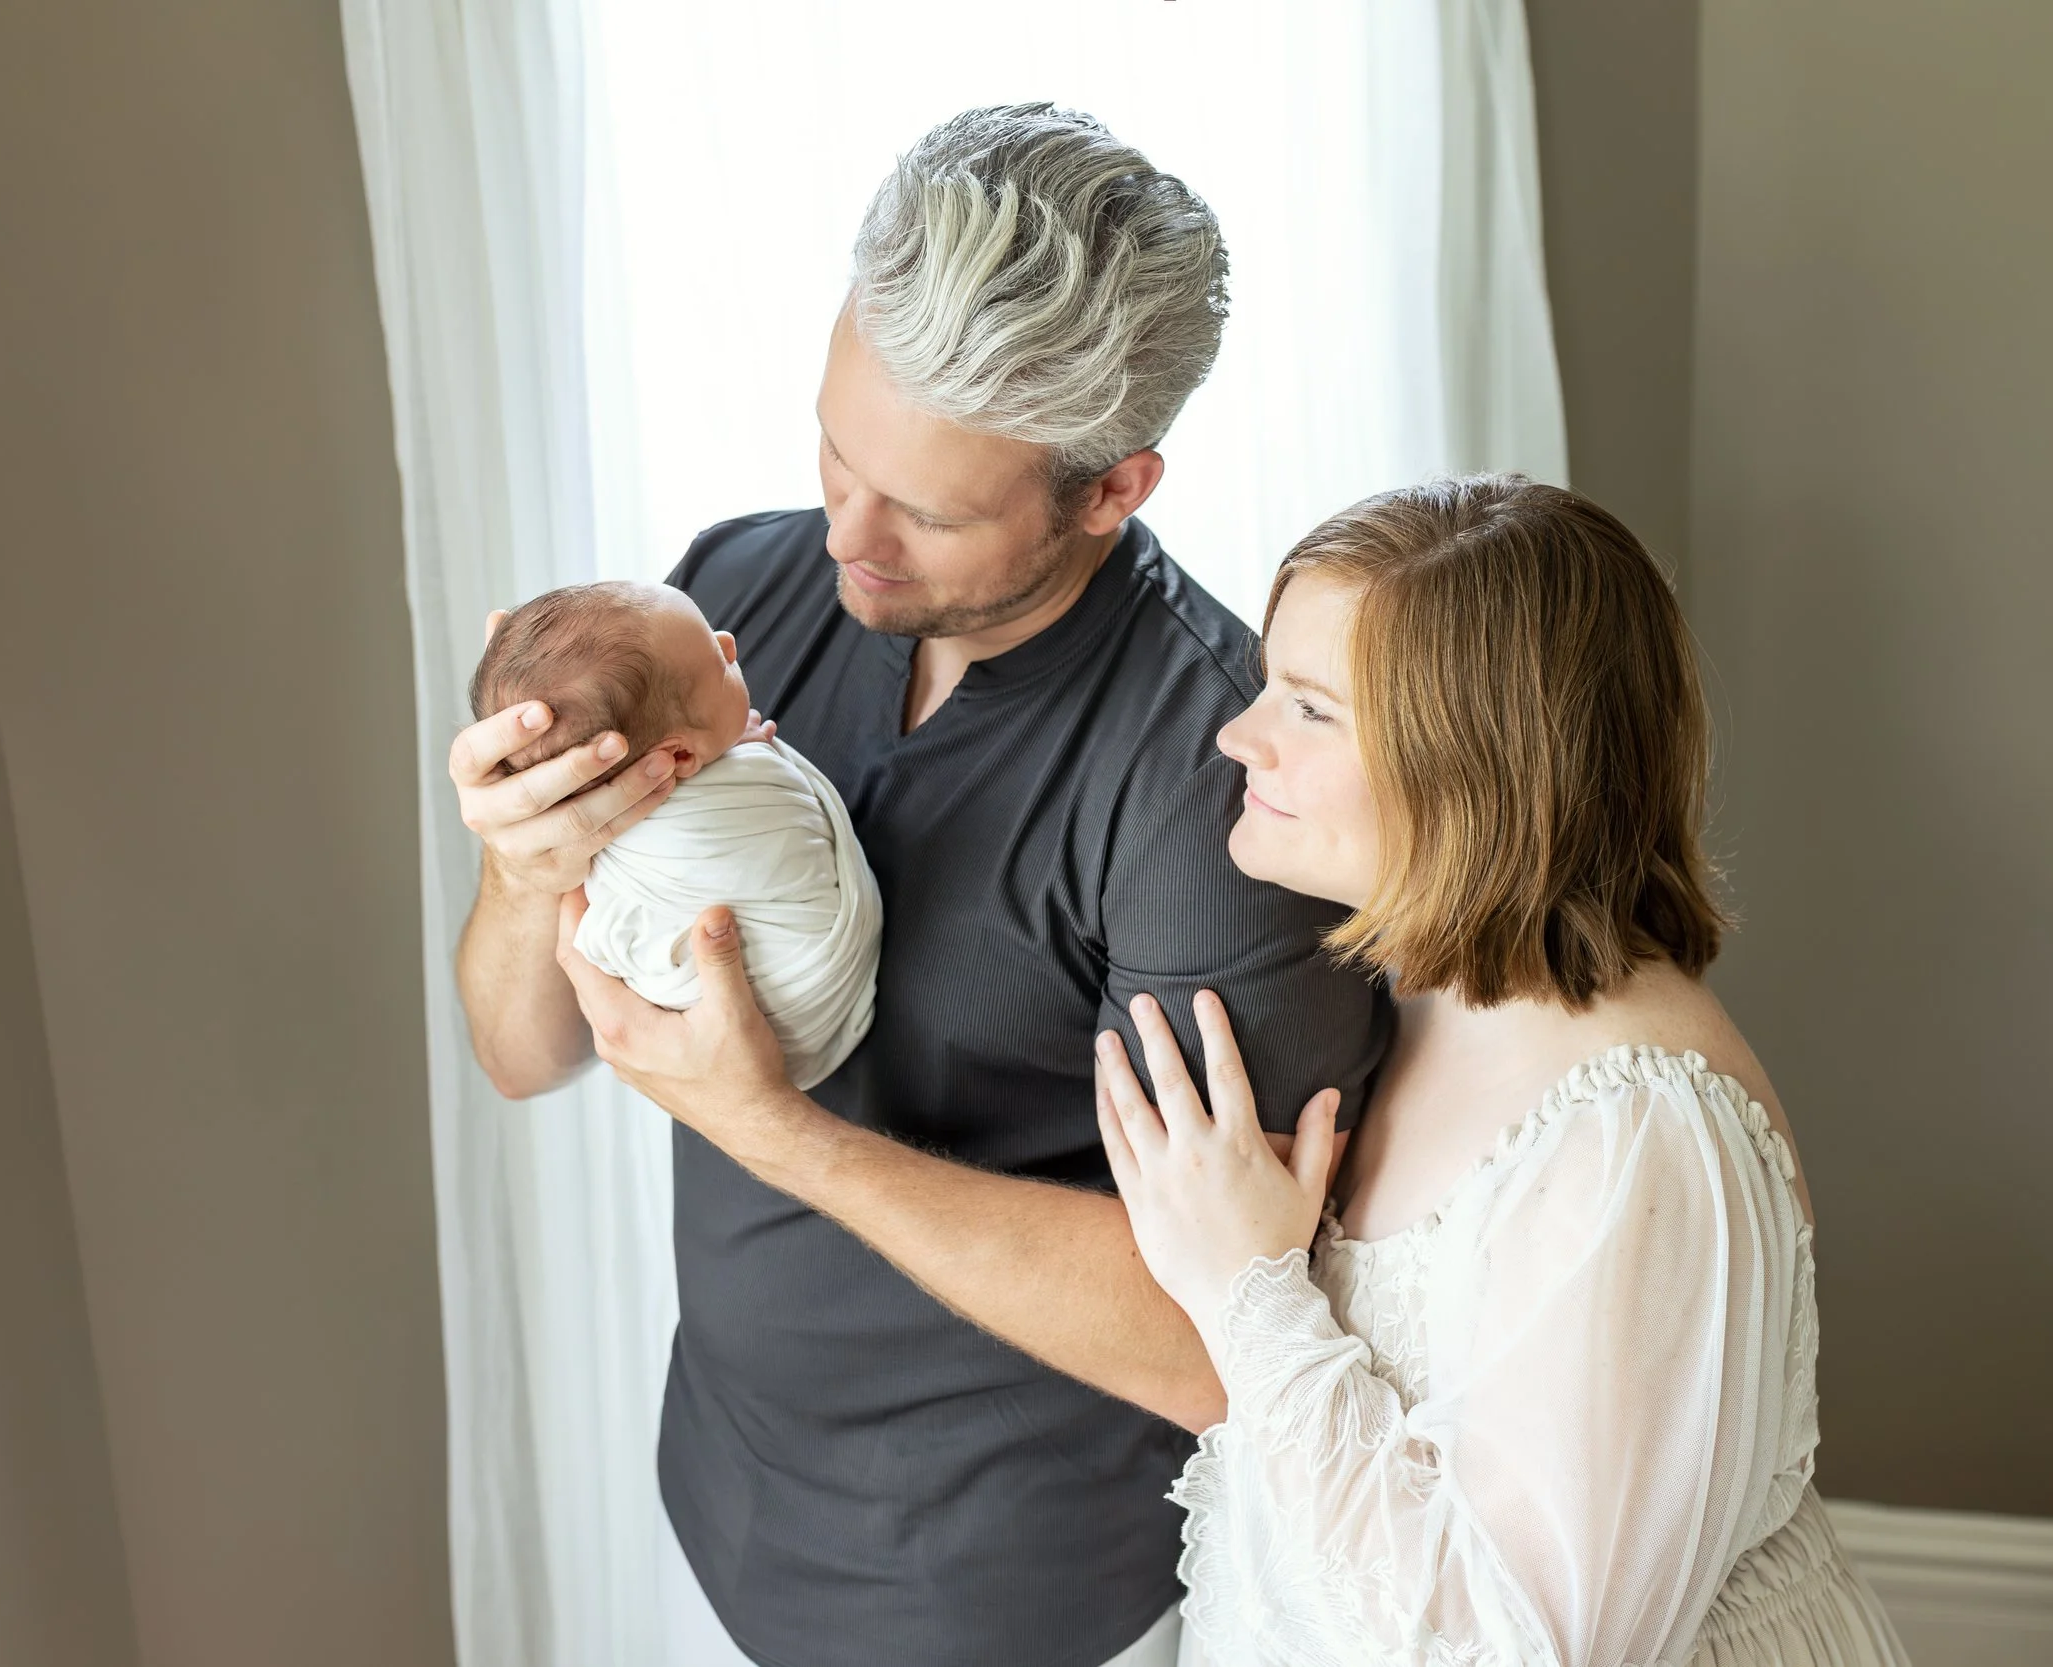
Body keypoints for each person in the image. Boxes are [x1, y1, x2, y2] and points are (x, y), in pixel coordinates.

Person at [449, 103, 1392, 1667]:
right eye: (835, 445)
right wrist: (519, 866)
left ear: (1112, 489)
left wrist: (772, 1129)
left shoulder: (1219, 792)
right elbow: (519, 1050)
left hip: (1011, 1601)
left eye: (930, 510)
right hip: (734, 1500)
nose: (844, 532)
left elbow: (1233, 1345)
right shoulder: (731, 602)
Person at [1092, 476, 1915, 1665]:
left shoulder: (1636, 1134)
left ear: (1475, 766)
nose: (1237, 735)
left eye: (1312, 710)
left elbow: (1526, 1647)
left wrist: (1245, 1288)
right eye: (1270, 681)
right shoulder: (1406, 999)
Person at [468, 580, 879, 1090]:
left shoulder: (656, 666)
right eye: (718, 661)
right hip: (806, 997)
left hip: (796, 1017)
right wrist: (516, 865)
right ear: (681, 757)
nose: (729, 640)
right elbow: (516, 1070)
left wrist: (730, 755)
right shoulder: (681, 609)